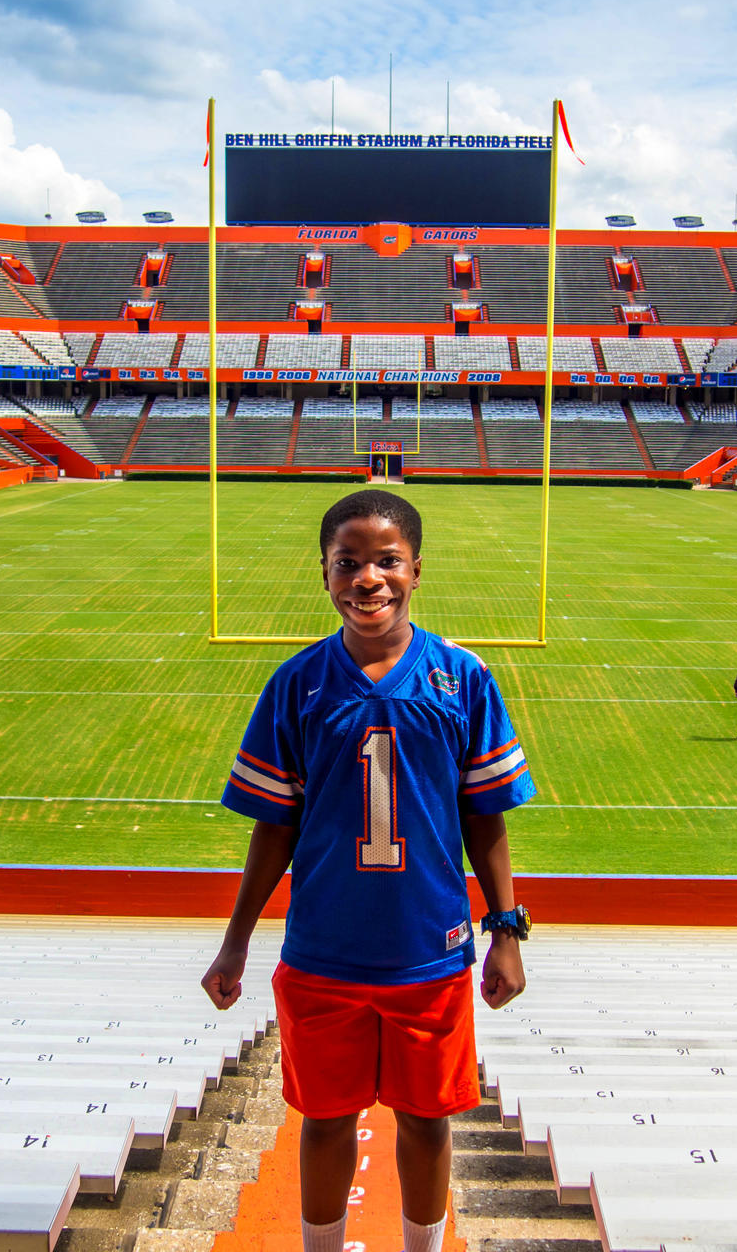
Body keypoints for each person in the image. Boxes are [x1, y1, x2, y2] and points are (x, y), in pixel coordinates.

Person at [202, 488, 536, 1252]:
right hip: (324, 949)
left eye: (385, 561)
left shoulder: (460, 677)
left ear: (416, 570)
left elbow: (485, 813)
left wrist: (505, 929)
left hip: (429, 948)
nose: (367, 579)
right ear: (323, 576)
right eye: (346, 563)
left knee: (426, 1120)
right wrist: (235, 942)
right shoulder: (296, 683)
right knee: (323, 1121)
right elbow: (272, 825)